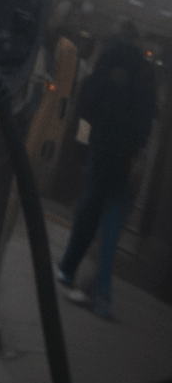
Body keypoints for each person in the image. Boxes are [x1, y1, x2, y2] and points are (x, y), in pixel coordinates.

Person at [56, 23, 156, 318]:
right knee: (110, 221)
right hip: (124, 156)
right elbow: (147, 118)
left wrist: (82, 144)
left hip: (100, 147)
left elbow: (88, 108)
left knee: (88, 209)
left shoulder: (107, 60)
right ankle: (99, 292)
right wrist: (136, 148)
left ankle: (69, 269)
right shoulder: (145, 73)